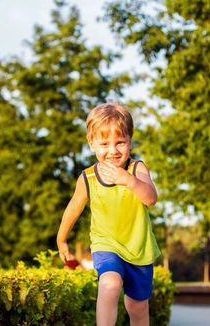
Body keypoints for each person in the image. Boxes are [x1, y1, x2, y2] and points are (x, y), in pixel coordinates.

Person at [57, 103, 161, 326]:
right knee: (110, 283)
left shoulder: (137, 169)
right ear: (92, 143)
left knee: (137, 307)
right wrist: (61, 239)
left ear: (130, 141)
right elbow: (73, 209)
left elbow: (151, 198)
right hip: (106, 245)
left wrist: (129, 181)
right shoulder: (88, 178)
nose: (113, 150)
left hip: (138, 248)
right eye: (104, 144)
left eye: (120, 142)